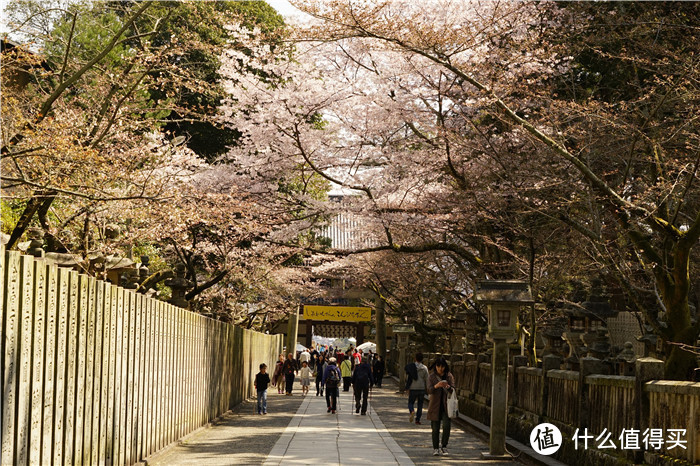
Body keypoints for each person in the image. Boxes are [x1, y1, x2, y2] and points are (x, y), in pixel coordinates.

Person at [427, 357, 455, 456]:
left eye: (442, 367)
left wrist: (448, 387)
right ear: (436, 366)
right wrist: (436, 386)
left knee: (447, 426)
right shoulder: (432, 377)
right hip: (435, 405)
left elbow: (453, 389)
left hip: (446, 406)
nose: (440, 369)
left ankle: (444, 446)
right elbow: (429, 390)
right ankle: (435, 448)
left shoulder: (449, 376)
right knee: (435, 428)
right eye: (438, 366)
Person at [407, 352, 430, 425]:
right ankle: (418, 420)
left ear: (415, 358)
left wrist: (407, 387)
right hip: (421, 388)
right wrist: (428, 388)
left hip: (413, 387)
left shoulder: (411, 367)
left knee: (411, 402)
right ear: (422, 359)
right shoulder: (425, 368)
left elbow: (408, 378)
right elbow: (427, 379)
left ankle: (412, 411)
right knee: (420, 404)